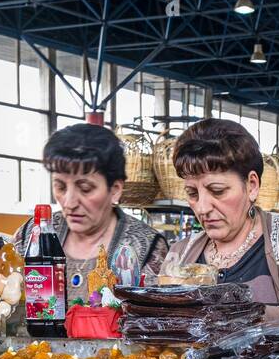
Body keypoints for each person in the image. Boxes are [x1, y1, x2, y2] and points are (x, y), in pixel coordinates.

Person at [172, 118, 279, 332]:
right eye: (192, 193)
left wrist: (235, 315)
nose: (202, 207)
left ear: (252, 186)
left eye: (217, 191)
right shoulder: (180, 254)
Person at [14, 123, 168, 304]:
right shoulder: (33, 236)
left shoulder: (146, 248)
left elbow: (155, 323)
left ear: (115, 190)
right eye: (60, 186)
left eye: (85, 188)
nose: (69, 203)